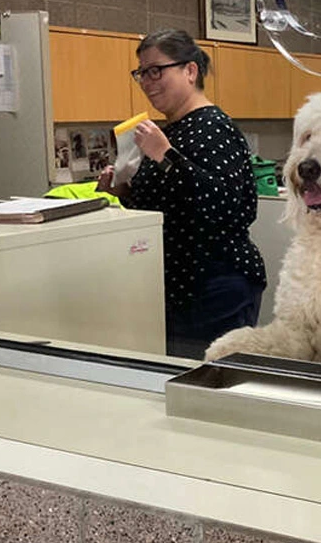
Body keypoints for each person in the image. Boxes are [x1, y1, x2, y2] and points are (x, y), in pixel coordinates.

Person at [97, 29, 266, 359]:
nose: (147, 82)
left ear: (190, 71)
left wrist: (166, 155)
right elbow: (170, 206)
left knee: (211, 388)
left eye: (156, 70)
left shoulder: (213, 126)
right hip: (176, 288)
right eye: (141, 73)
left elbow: (231, 207)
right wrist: (122, 191)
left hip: (216, 286)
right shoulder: (169, 131)